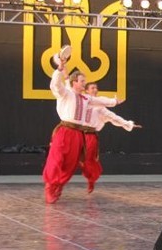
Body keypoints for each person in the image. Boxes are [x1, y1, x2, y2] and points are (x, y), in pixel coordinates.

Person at [42, 54, 122, 204]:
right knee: (56, 159)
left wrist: (115, 101)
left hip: (78, 135)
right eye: (82, 81)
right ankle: (50, 186)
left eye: (85, 81)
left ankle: (58, 185)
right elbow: (55, 85)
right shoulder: (66, 93)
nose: (85, 83)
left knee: (70, 165)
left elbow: (100, 101)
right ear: (74, 82)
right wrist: (59, 69)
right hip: (64, 131)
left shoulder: (87, 99)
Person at [81, 82, 142, 193]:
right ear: (86, 91)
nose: (95, 89)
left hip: (90, 136)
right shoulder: (81, 101)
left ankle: (91, 181)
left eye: (96, 88)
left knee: (89, 161)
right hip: (77, 134)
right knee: (68, 158)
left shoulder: (100, 106)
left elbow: (113, 117)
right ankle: (56, 183)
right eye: (92, 88)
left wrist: (128, 124)